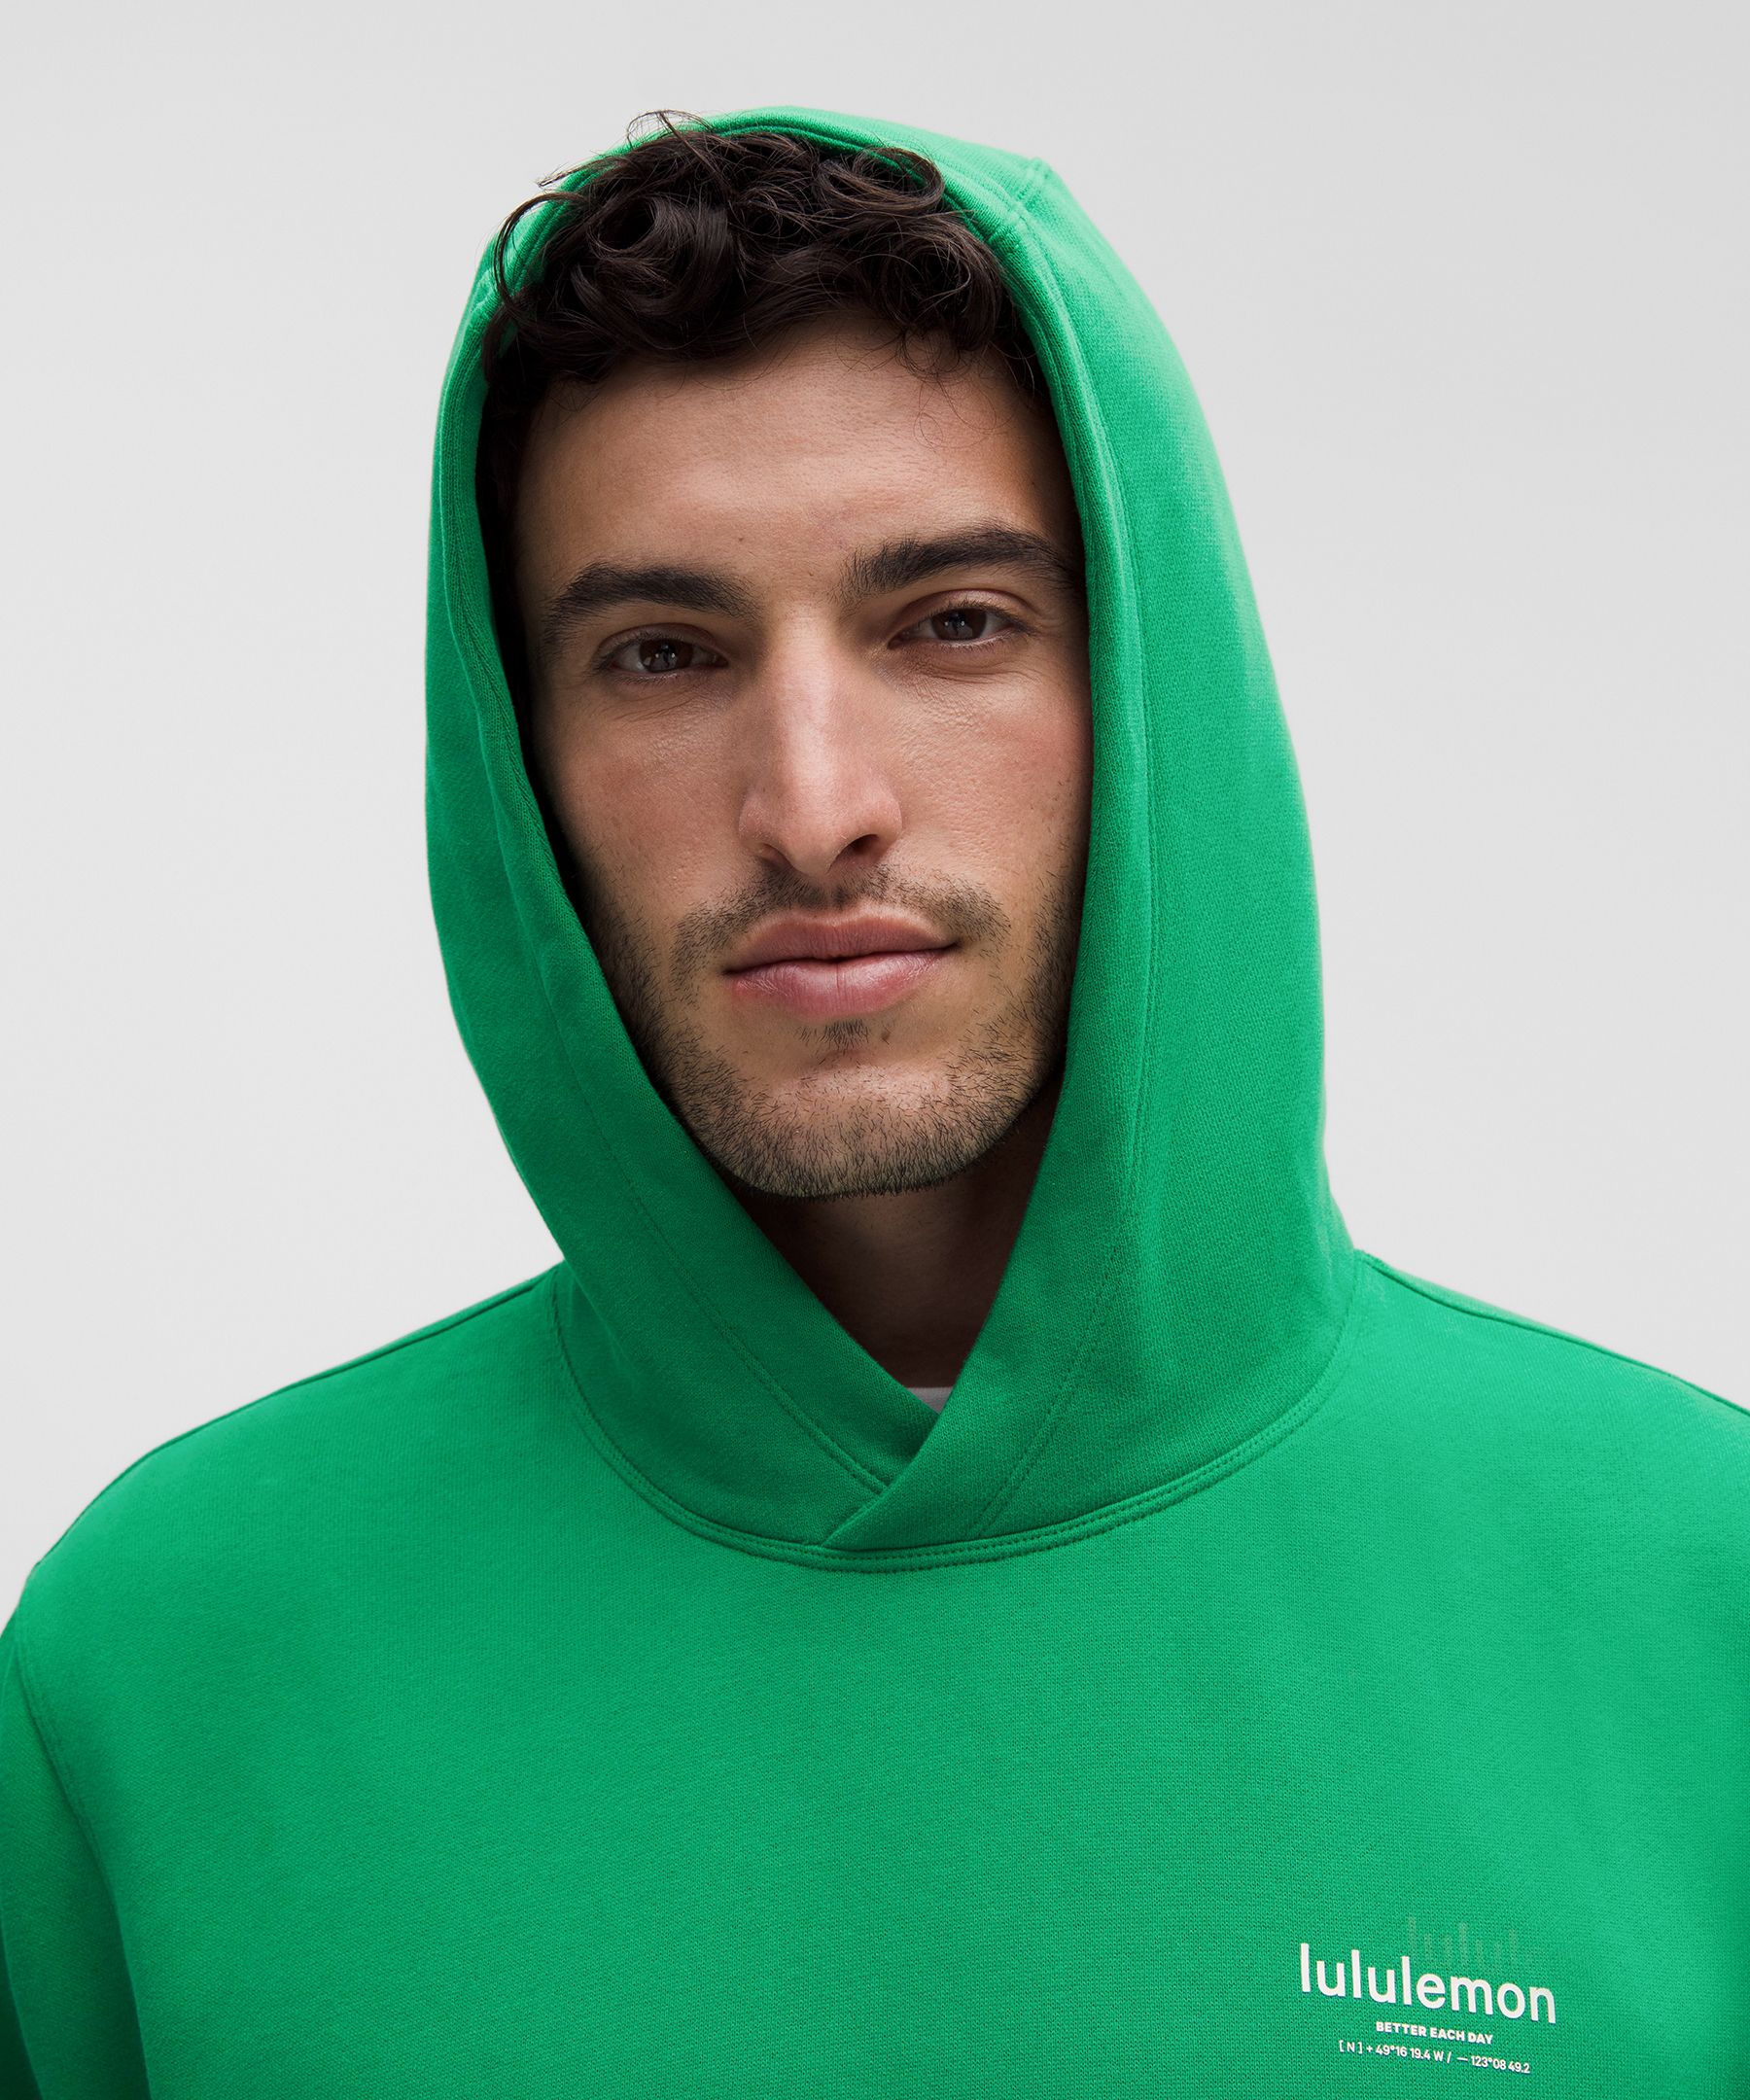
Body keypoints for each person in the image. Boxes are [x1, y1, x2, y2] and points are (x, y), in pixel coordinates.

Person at [1, 106, 1743, 2097]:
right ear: (517, 760)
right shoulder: (163, 1667)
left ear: (1151, 685)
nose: (814, 801)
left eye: (954, 625)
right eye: (664, 654)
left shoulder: (1703, 1602)